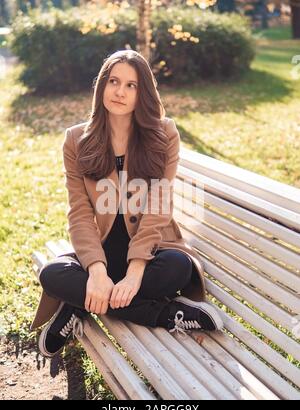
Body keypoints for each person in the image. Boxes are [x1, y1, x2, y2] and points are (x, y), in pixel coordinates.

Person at [31, 49, 223, 358]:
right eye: (113, 81)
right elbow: (79, 213)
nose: (120, 91)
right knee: (52, 273)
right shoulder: (76, 139)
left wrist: (135, 274)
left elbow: (159, 206)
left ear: (143, 92)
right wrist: (95, 272)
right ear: (102, 86)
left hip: (150, 254)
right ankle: (166, 314)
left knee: (178, 267)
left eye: (131, 85)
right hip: (105, 254)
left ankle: (78, 306)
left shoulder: (164, 135)